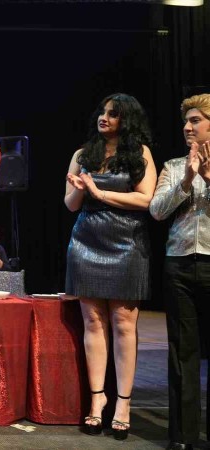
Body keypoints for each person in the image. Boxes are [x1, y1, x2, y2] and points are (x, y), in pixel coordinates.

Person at [64, 93, 156, 441]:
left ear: (126, 120)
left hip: (127, 242)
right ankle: (97, 399)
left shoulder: (139, 153)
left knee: (123, 323)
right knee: (93, 321)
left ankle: (123, 404)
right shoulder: (82, 155)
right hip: (86, 241)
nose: (105, 117)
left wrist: (100, 193)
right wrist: (80, 189)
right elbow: (70, 205)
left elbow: (146, 199)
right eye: (102, 112)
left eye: (113, 114)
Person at [150, 93, 210, 450]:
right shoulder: (173, 165)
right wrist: (186, 180)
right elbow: (157, 210)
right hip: (180, 264)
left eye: (196, 121)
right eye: (186, 121)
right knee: (182, 351)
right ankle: (183, 436)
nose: (187, 127)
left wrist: (208, 177)